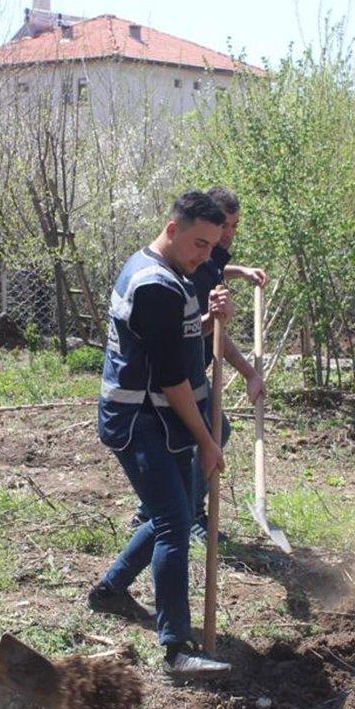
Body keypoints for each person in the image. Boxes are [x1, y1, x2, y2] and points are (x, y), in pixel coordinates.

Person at [87, 190, 233, 679]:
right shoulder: (155, 285)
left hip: (159, 416)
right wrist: (208, 442)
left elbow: (177, 340)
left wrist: (214, 320)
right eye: (199, 243)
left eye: (212, 246)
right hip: (140, 419)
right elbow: (171, 380)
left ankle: (110, 590)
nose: (206, 256)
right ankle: (176, 648)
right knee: (174, 520)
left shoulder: (168, 272)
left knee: (174, 509)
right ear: (172, 230)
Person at [128, 186, 268, 544]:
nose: (227, 234)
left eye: (234, 227)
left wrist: (241, 272)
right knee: (209, 433)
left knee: (205, 433)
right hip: (175, 375)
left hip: (187, 370)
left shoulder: (209, 257)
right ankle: (183, 514)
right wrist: (249, 371)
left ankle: (163, 511)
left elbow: (214, 284)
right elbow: (202, 334)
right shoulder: (187, 269)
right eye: (224, 227)